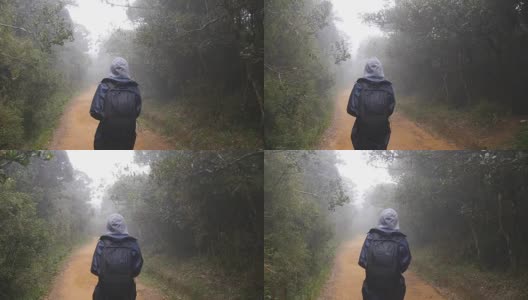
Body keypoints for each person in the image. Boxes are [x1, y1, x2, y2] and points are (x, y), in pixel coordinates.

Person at [358, 208, 411, 300]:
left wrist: (375, 270)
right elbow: (405, 263)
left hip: (372, 288)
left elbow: (362, 261)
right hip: (395, 289)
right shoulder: (401, 239)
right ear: (396, 221)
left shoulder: (371, 236)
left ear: (380, 219)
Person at [90, 57, 142, 150]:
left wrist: (108, 118)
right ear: (127, 69)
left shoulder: (104, 85)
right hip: (128, 134)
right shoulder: (134, 87)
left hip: (106, 134)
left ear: (111, 69)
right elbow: (137, 111)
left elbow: (95, 111)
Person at [91, 213, 143, 300]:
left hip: (105, 292)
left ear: (108, 226)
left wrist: (107, 277)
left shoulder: (102, 243)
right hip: (127, 292)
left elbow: (95, 268)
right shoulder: (133, 243)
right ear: (124, 225)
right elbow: (137, 268)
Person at [347, 58, 396, 150]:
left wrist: (363, 115)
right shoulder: (388, 86)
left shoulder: (359, 85)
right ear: (381, 69)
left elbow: (351, 109)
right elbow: (390, 109)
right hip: (382, 131)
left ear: (366, 69)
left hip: (362, 131)